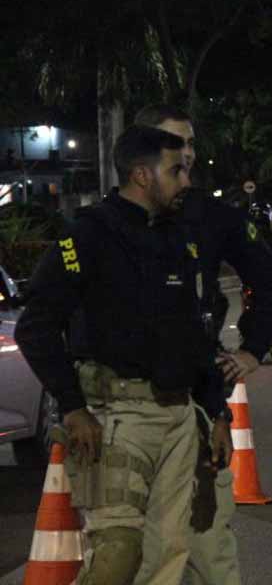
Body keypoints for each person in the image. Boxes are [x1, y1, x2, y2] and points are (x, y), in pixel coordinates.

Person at [15, 126, 216, 584]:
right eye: (176, 170)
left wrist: (215, 413)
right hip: (117, 418)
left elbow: (196, 334)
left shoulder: (178, 238)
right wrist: (72, 406)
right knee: (116, 555)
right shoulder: (89, 235)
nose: (185, 180)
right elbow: (36, 326)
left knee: (167, 555)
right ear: (142, 175)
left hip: (179, 417)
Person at [134, 104, 272, 585]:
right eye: (173, 143)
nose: (187, 155)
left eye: (191, 144)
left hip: (196, 400)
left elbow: (269, 280)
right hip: (126, 408)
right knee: (134, 549)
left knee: (208, 544)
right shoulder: (110, 221)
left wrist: (251, 350)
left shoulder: (212, 216)